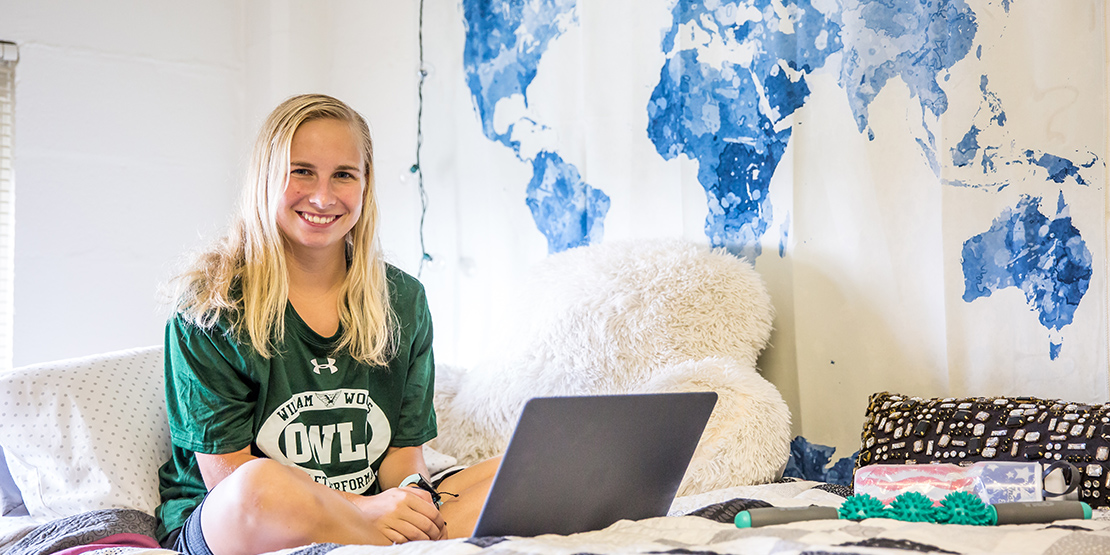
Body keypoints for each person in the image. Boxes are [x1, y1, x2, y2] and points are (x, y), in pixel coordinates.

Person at [155, 94, 497, 555]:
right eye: (302, 171)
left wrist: (411, 498)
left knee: (528, 467)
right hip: (241, 518)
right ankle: (391, 539)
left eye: (343, 175)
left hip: (374, 510)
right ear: (266, 178)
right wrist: (363, 511)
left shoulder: (404, 299)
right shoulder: (210, 307)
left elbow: (402, 454)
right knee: (261, 484)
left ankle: (393, 539)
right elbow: (228, 477)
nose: (322, 196)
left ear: (365, 184)